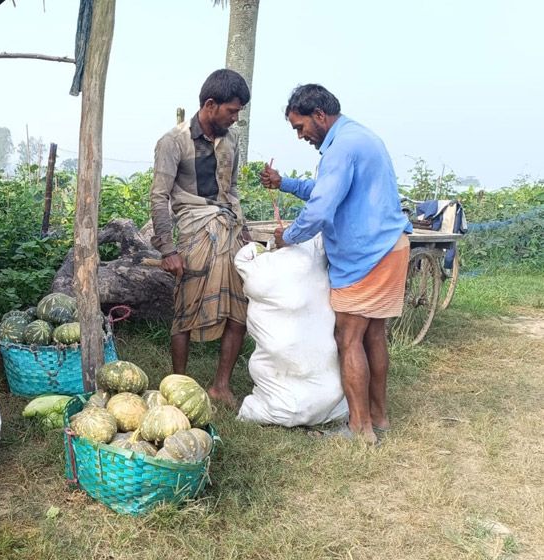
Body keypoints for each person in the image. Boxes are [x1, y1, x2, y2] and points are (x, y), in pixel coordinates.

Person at [259, 84, 412, 443]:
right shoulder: (357, 137)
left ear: (320, 115)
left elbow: (322, 208)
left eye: (300, 127)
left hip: (366, 256)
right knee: (374, 334)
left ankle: (360, 429)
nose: (300, 136)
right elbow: (328, 189)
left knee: (349, 337)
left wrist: (288, 237)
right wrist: (285, 184)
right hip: (390, 247)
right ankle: (379, 417)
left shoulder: (340, 148)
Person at [150, 68, 252, 408]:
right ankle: (178, 385)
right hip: (194, 231)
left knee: (239, 307)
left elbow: (232, 189)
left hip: (229, 227)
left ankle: (220, 385)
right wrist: (167, 248)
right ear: (210, 104)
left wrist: (244, 228)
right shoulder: (172, 142)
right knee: (185, 309)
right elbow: (159, 196)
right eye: (231, 111)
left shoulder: (231, 141)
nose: (235, 119)